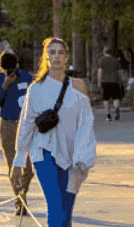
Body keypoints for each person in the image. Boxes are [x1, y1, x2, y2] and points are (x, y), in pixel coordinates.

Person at [12, 37, 99, 225]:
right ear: (46, 57)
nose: (57, 56)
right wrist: (19, 160)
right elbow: (26, 124)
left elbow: (86, 124)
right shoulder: (36, 89)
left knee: (66, 214)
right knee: (55, 206)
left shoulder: (79, 86)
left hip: (72, 156)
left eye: (61, 53)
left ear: (67, 57)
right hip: (43, 152)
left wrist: (84, 155)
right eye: (52, 52)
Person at [0, 50, 31, 207]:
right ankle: (19, 200)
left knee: (28, 168)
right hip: (7, 124)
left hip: (25, 125)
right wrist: (4, 86)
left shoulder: (26, 77)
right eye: (5, 69)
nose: (9, 72)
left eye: (11, 69)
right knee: (12, 164)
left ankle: (23, 191)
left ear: (17, 66)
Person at [94, 49, 126, 121]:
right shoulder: (115, 60)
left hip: (105, 82)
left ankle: (108, 115)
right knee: (116, 98)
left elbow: (100, 71)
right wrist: (121, 81)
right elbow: (119, 71)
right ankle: (116, 107)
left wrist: (99, 82)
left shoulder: (101, 60)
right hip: (115, 81)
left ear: (104, 52)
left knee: (106, 99)